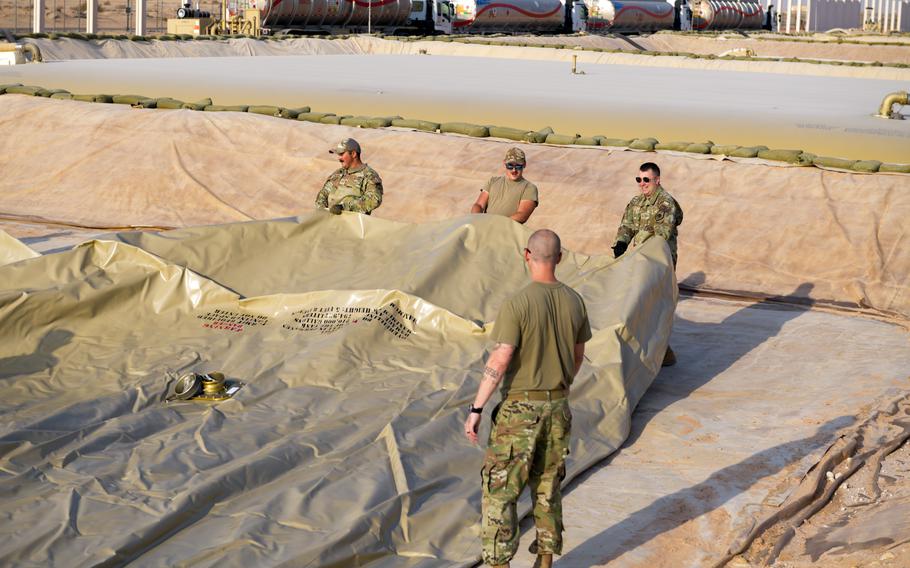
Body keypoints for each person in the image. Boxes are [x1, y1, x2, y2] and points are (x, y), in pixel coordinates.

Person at [464, 229, 591, 568]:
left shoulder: (518, 303)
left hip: (520, 410)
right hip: (558, 406)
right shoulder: (575, 301)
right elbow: (579, 356)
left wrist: (476, 408)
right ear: (560, 258)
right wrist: (560, 387)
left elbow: (501, 358)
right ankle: (545, 560)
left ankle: (500, 563)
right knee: (547, 486)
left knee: (500, 490)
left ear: (526, 255)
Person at [612, 161, 683, 366]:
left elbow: (661, 234)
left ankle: (663, 352)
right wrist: (621, 243)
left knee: (656, 304)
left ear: (657, 180)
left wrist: (637, 243)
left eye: (646, 180)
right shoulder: (636, 203)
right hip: (640, 260)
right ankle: (650, 348)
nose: (642, 184)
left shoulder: (666, 203)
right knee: (640, 303)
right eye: (639, 180)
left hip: (661, 262)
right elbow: (627, 225)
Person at [315, 138, 383, 215]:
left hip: (352, 225)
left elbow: (373, 200)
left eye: (341, 154)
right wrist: (322, 211)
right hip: (331, 222)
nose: (339, 158)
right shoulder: (337, 173)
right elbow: (323, 194)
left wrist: (344, 207)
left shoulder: (369, 175)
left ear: (353, 154)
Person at [471, 147, 538, 223]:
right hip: (485, 227)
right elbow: (479, 205)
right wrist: (476, 220)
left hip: (506, 231)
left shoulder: (529, 188)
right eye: (510, 165)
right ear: (504, 163)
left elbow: (522, 215)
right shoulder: (492, 181)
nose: (514, 170)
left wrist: (497, 224)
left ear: (524, 164)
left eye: (518, 166)